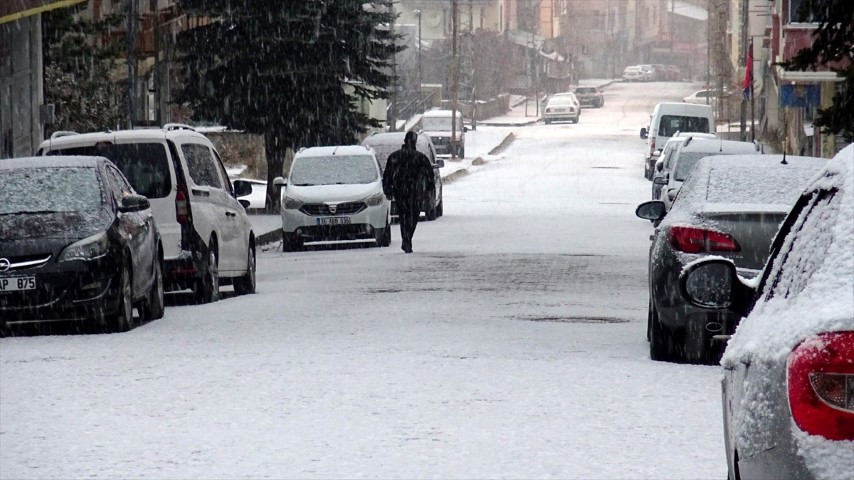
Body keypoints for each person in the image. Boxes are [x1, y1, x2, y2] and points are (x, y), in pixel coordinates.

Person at [382, 131, 435, 253]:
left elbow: (387, 175)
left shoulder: (395, 157)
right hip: (415, 192)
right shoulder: (420, 158)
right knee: (412, 216)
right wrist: (428, 189)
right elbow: (429, 176)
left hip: (401, 190)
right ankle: (407, 239)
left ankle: (406, 239)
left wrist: (388, 189)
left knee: (404, 216)